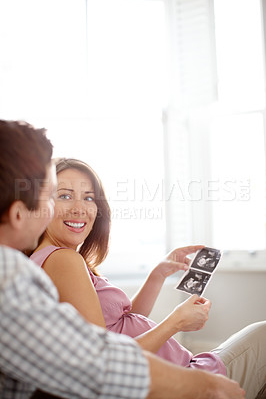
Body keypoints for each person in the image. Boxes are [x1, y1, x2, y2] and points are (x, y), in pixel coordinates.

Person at [0, 119, 246, 399]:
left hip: (181, 369)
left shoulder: (35, 269)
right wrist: (176, 324)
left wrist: (157, 275)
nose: (80, 209)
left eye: (89, 198)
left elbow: (116, 331)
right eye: (57, 196)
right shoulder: (53, 263)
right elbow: (102, 359)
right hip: (180, 374)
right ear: (20, 211)